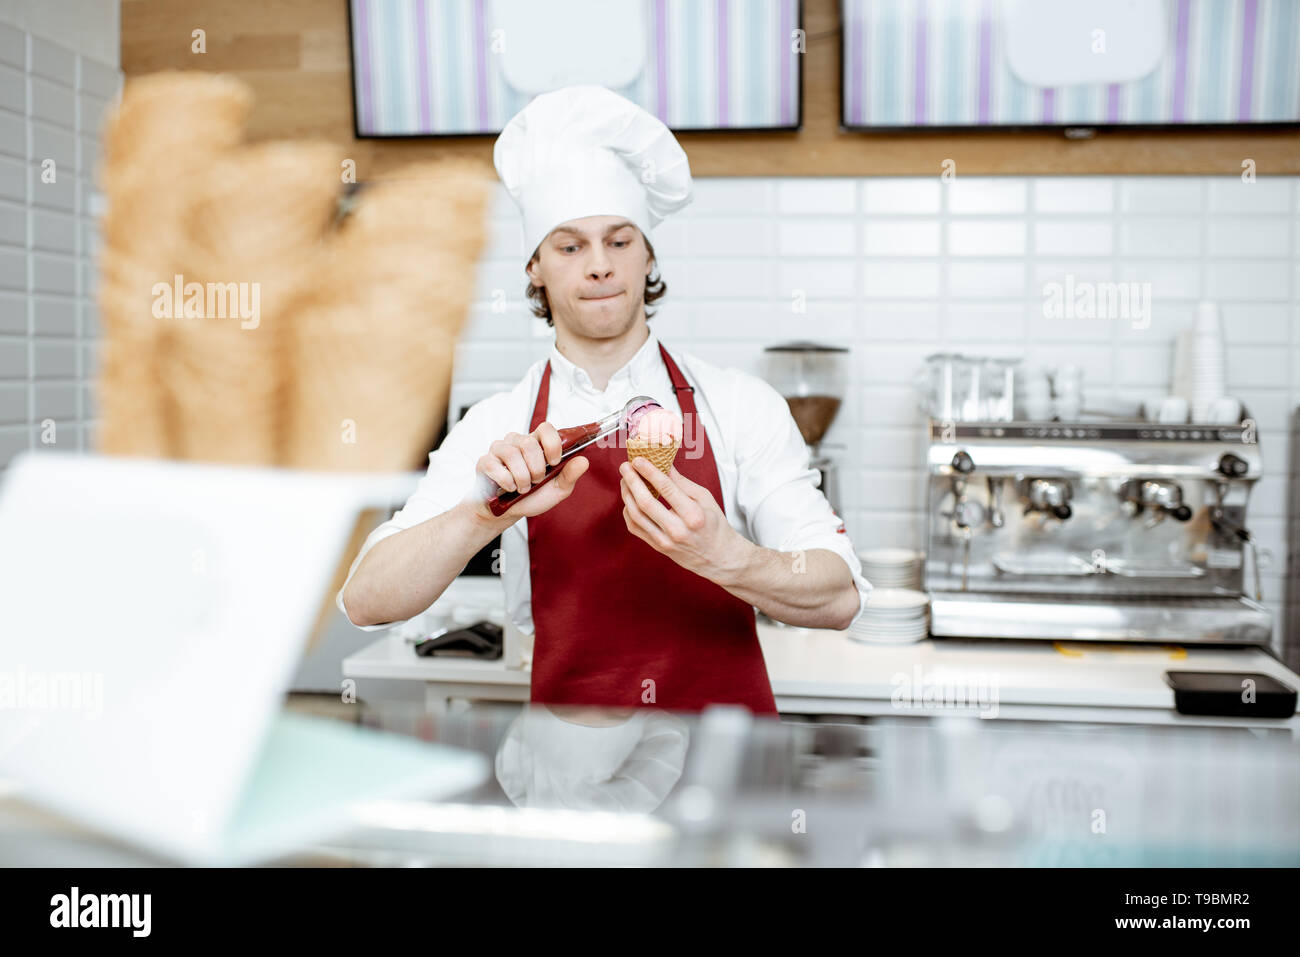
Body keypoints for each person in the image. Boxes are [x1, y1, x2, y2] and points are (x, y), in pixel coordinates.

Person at [339, 85, 871, 716]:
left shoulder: (739, 405)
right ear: (535, 265)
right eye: (570, 246)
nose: (599, 266)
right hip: (567, 779)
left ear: (648, 254)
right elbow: (365, 601)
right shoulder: (500, 425)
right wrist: (479, 517)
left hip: (727, 775)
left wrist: (728, 556)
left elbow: (839, 598)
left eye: (620, 241)